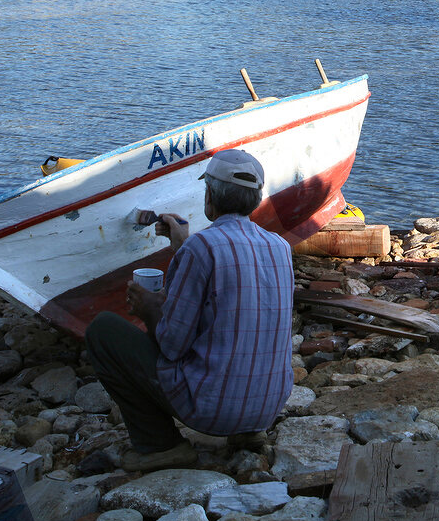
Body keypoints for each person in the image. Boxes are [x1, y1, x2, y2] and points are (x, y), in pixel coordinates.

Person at [85, 149, 294, 471]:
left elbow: (172, 345)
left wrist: (150, 310)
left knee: (103, 330)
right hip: (266, 408)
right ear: (255, 198)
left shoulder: (201, 247)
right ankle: (247, 433)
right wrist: (182, 244)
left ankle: (159, 445)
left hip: (211, 410)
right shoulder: (280, 247)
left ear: (210, 195)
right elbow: (233, 286)